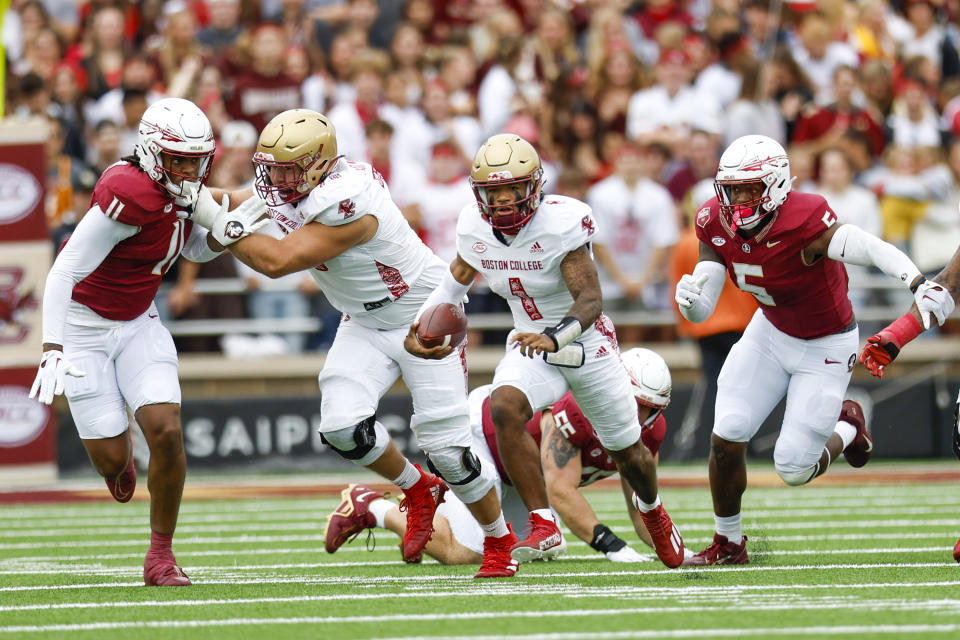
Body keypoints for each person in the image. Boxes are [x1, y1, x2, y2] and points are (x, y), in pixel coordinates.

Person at [186, 109, 517, 578]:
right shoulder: (291, 182)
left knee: (449, 450)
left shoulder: (350, 200)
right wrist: (182, 194)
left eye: (288, 167)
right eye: (273, 167)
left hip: (421, 316)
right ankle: (417, 488)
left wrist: (204, 212)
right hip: (362, 319)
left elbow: (279, 260)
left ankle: (500, 540)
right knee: (342, 426)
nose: (276, 178)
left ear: (319, 163)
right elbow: (238, 199)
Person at [403, 133, 686, 569]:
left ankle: (653, 510)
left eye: (510, 189)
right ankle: (543, 524)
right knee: (505, 406)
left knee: (629, 450)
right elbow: (453, 282)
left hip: (584, 343)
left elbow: (591, 300)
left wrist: (556, 336)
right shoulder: (474, 227)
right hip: (529, 340)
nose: (500, 201)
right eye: (492, 192)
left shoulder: (561, 223)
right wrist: (421, 324)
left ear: (533, 187)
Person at [674, 134, 944, 565]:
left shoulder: (806, 219)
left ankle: (850, 425)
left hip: (826, 344)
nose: (738, 200)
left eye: (749, 189)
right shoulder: (712, 219)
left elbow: (868, 246)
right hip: (769, 331)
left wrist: (916, 281)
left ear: (777, 185)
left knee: (794, 468)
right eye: (732, 189)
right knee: (727, 434)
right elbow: (703, 307)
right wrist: (691, 300)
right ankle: (728, 542)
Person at [28, 97, 233, 586]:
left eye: (194, 158)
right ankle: (115, 449)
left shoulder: (180, 187)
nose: (187, 169)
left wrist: (231, 232)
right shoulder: (127, 190)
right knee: (113, 462)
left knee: (165, 429)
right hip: (83, 326)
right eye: (177, 158)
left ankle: (160, 556)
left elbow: (188, 249)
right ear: (150, 150)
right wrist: (52, 346)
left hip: (140, 319)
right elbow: (64, 271)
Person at [325, 348, 683, 565]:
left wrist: (673, 551)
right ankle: (371, 507)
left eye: (648, 410)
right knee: (466, 552)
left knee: (541, 550)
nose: (637, 418)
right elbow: (560, 490)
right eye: (633, 404)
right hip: (482, 438)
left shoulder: (651, 431)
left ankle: (435, 520)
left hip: (520, 476)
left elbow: (641, 506)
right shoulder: (577, 410)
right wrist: (611, 546)